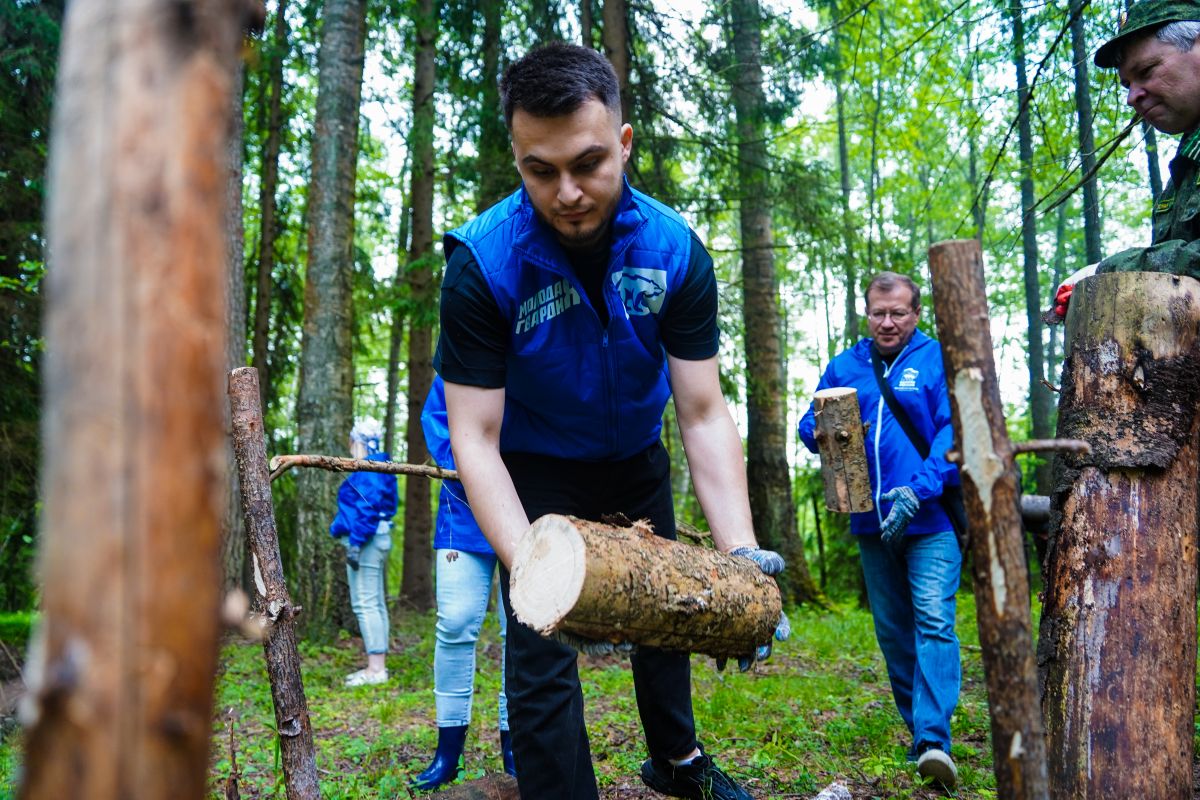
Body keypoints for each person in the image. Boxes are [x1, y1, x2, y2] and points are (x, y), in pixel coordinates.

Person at [435, 42, 786, 800]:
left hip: (633, 455)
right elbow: (475, 436)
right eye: (540, 170)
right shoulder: (481, 264)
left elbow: (700, 411)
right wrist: (531, 562)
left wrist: (742, 551)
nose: (566, 192)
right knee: (540, 646)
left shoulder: (675, 251)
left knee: (666, 615)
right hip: (530, 468)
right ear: (517, 158)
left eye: (588, 163)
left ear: (624, 143)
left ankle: (676, 760)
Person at [798, 272, 961, 791]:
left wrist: (919, 488)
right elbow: (809, 425)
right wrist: (818, 427)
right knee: (893, 633)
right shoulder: (845, 365)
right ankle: (920, 734)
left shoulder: (938, 360)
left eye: (898, 313)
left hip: (929, 519)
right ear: (866, 314)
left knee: (933, 619)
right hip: (869, 523)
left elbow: (954, 434)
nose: (887, 322)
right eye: (878, 313)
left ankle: (935, 740)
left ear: (917, 314)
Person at [1050, 0, 1200, 319]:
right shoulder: (1187, 162)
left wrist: (1114, 272)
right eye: (1127, 85)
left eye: (1145, 72)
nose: (1132, 97)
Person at [411, 376, 514, 790]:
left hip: (525, 509)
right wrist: (474, 468)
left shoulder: (529, 351)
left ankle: (515, 746)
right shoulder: (456, 360)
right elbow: (436, 420)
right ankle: (447, 752)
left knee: (520, 629)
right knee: (454, 623)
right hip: (461, 510)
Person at [329, 419, 398, 687]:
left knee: (366, 602)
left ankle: (376, 670)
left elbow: (367, 508)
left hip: (366, 542)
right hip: (374, 538)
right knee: (375, 601)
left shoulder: (370, 468)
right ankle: (377, 666)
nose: (350, 447)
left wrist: (356, 542)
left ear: (359, 442)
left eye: (352, 441)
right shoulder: (378, 466)